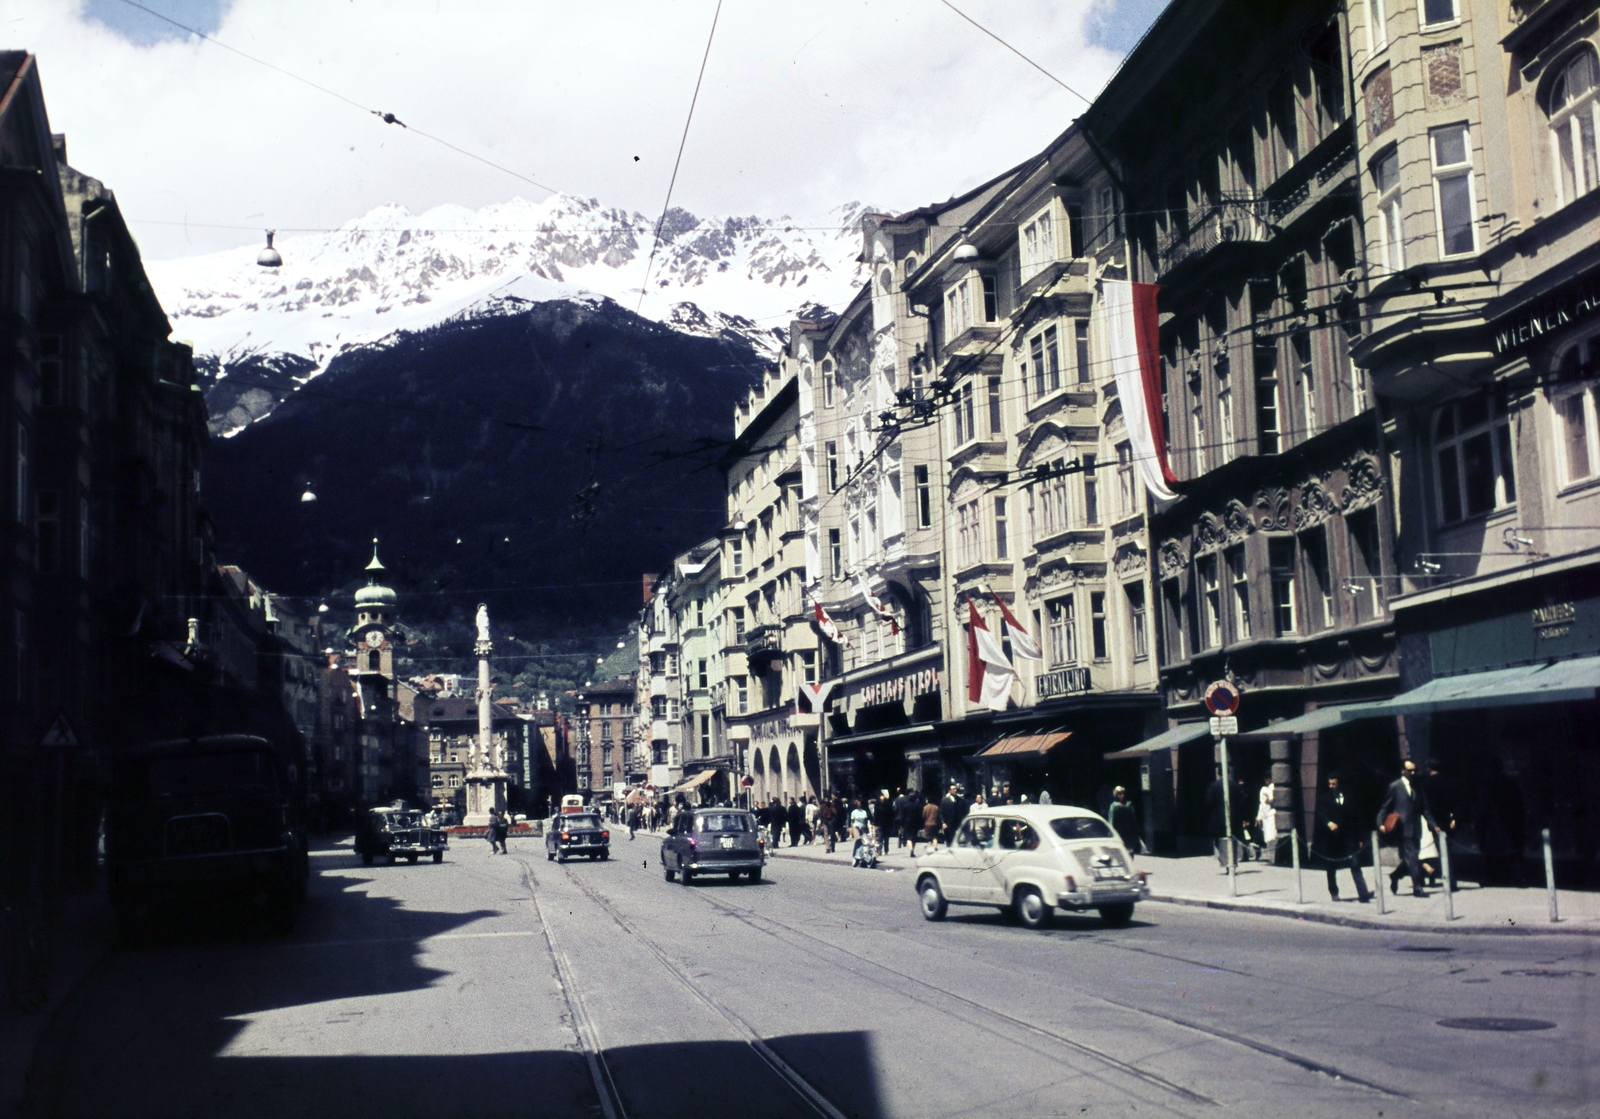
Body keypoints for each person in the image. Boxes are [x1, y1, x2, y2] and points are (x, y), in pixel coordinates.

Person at [1376, 758, 1438, 897]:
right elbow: (1385, 806)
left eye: (1414, 770)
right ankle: (1417, 887)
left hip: (1416, 828)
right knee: (1412, 856)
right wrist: (1380, 823)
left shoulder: (1418, 787)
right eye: (1410, 770)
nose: (1413, 773)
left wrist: (1434, 825)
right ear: (1403, 772)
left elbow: (1425, 809)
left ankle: (1395, 875)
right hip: (1402, 829)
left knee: (1412, 857)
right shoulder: (1395, 786)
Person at [1313, 771, 1371, 903]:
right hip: (1332, 840)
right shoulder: (1324, 799)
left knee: (1355, 864)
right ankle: (1334, 892)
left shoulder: (1350, 798)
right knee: (1332, 867)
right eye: (1330, 784)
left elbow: (1358, 819)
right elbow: (1321, 814)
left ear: (1339, 784)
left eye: (1334, 784)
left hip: (1349, 839)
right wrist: (1329, 823)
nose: (1332, 786)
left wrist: (1361, 838)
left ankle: (1363, 893)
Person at [1108, 786, 1140, 853]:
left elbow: (1133, 819)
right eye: (1120, 794)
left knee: (1130, 851)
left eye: (1123, 793)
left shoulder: (1129, 804)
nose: (1122, 796)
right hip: (1119, 831)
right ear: (1116, 795)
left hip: (1128, 831)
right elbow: (1112, 820)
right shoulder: (1114, 806)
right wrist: (1111, 831)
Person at [1255, 775, 1278, 862]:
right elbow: (1261, 804)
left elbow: (1271, 799)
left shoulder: (1271, 788)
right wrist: (1259, 816)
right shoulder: (1264, 789)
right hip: (1265, 814)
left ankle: (1273, 856)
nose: (1266, 780)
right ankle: (1269, 854)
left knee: (1272, 835)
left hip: (1271, 813)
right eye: (1265, 779)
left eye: (1268, 779)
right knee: (1267, 835)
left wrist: (1268, 796)